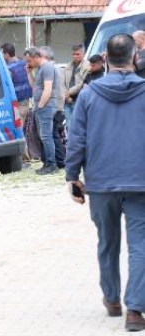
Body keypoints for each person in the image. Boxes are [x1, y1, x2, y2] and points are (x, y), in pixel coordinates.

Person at [66, 33, 145, 332]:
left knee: (107, 242)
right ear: (135, 57)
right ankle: (135, 309)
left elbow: (77, 140)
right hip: (141, 182)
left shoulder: (88, 94)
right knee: (141, 246)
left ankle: (112, 299)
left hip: (100, 181)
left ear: (107, 60)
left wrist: (72, 176)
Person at [24, 48, 59, 175]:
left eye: (29, 61)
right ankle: (47, 163)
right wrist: (29, 73)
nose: (28, 63)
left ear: (35, 57)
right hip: (41, 107)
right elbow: (35, 87)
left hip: (46, 106)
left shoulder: (47, 67)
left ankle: (52, 164)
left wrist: (40, 105)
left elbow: (48, 89)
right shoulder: (39, 69)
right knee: (42, 136)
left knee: (46, 136)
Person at [1, 43, 33, 164]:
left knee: (18, 130)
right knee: (21, 129)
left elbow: (7, 87)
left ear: (6, 54)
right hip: (25, 101)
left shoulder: (8, 69)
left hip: (18, 104)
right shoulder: (23, 63)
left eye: (2, 53)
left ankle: (25, 159)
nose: (2, 56)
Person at [38, 45, 66, 169]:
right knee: (53, 134)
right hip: (57, 106)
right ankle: (58, 161)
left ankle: (60, 161)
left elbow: (55, 90)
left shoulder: (52, 69)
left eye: (40, 55)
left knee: (53, 134)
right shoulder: (54, 68)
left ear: (46, 57)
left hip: (55, 106)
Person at [63, 43, 89, 125]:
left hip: (79, 101)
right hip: (67, 101)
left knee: (79, 125)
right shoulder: (68, 66)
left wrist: (68, 93)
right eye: (73, 54)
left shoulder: (87, 66)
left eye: (78, 54)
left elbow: (81, 83)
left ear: (83, 54)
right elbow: (62, 83)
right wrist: (66, 96)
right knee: (68, 125)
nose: (75, 56)